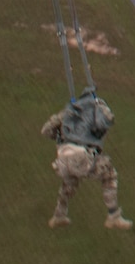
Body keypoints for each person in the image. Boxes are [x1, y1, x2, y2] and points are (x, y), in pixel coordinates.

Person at [42, 89, 130, 230]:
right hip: (81, 156)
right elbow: (105, 123)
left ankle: (59, 215)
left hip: (63, 159)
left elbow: (46, 130)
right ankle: (113, 216)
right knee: (109, 173)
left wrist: (63, 135)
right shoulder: (95, 111)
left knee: (70, 180)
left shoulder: (68, 114)